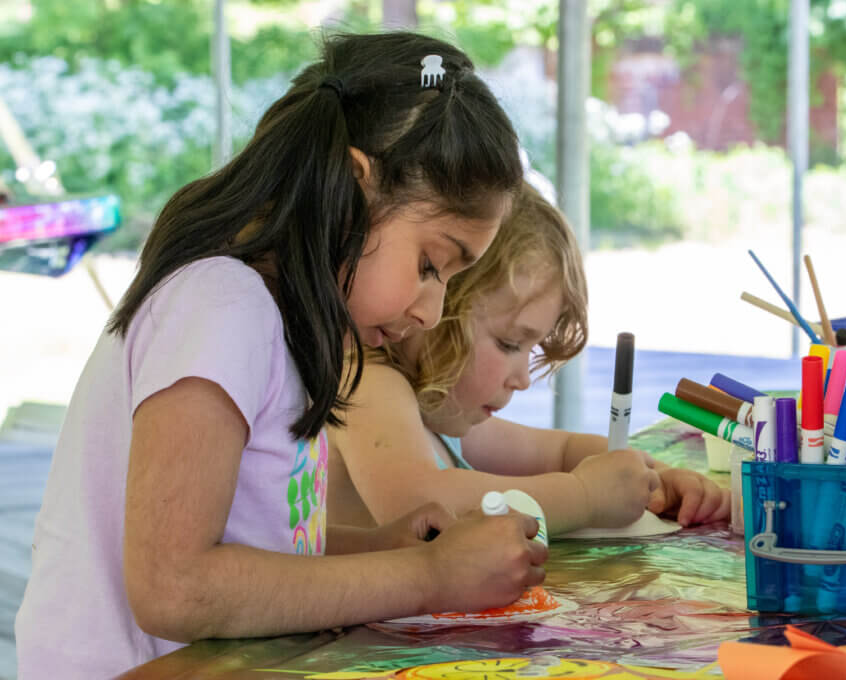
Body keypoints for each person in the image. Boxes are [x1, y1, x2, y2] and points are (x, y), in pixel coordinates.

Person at [15, 32, 547, 678]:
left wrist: (370, 549)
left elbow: (249, 540)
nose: (430, 314)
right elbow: (175, 588)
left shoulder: (278, 317)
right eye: (432, 264)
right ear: (353, 190)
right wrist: (428, 576)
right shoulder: (221, 306)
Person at [328, 183, 730, 536]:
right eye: (508, 343)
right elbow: (417, 500)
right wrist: (584, 496)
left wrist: (653, 477)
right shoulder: (367, 383)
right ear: (432, 308)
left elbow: (560, 451)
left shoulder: (437, 415)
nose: (522, 379)